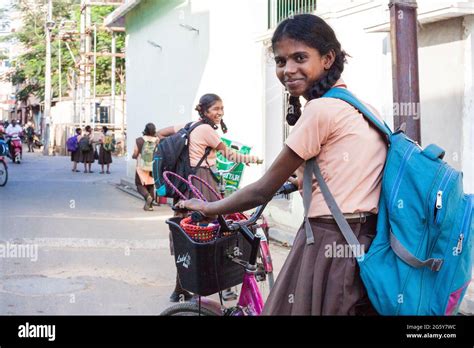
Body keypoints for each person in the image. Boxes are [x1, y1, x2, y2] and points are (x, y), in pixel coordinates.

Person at [179, 14, 387, 315]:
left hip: (329, 240)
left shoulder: (320, 110)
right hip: (365, 239)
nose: (288, 70)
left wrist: (207, 207)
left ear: (328, 58)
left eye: (300, 57)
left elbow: (262, 190)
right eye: (280, 61)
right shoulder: (363, 107)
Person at [157, 93, 263, 303]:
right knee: (217, 233)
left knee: (186, 237)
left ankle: (180, 288)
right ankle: (222, 288)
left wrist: (181, 156)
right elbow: (230, 155)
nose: (220, 113)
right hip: (203, 183)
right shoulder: (206, 130)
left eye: (222, 109)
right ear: (204, 111)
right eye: (215, 109)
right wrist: (253, 159)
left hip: (185, 185)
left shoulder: (189, 126)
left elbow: (161, 133)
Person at [132, 123, 158, 211]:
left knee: (139, 184)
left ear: (145, 130)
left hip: (141, 166)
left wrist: (134, 156)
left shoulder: (139, 140)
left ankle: (147, 197)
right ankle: (150, 206)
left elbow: (135, 152)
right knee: (151, 184)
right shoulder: (157, 140)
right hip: (153, 166)